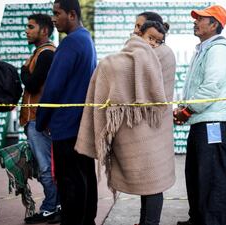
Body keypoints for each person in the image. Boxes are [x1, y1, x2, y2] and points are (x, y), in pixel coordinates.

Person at [75, 19, 176, 225]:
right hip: (138, 129)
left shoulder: (163, 55)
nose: (153, 44)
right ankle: (145, 222)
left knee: (154, 182)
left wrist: (110, 65)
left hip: (154, 129)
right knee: (149, 183)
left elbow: (122, 68)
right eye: (150, 38)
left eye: (158, 40)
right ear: (139, 34)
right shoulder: (128, 56)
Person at [173, 5, 226, 225]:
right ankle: (198, 219)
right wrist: (185, 109)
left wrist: (187, 110)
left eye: (201, 19)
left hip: (213, 124)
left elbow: (211, 87)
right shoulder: (204, 49)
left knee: (212, 178)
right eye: (196, 19)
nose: (196, 22)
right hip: (202, 122)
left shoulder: (218, 50)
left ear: (214, 25)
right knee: (196, 176)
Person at [35, 0, 98, 224]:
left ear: (71, 14)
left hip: (65, 125)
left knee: (70, 183)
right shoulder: (86, 39)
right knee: (84, 178)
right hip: (81, 123)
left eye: (57, 13)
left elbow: (53, 86)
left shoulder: (70, 43)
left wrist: (40, 120)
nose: (53, 18)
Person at [19, 13, 60, 224]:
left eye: (31, 26)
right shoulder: (41, 53)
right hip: (37, 119)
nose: (26, 30)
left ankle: (51, 208)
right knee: (47, 166)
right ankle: (56, 205)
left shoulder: (46, 54)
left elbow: (33, 84)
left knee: (46, 167)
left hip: (39, 120)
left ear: (44, 30)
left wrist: (23, 72)